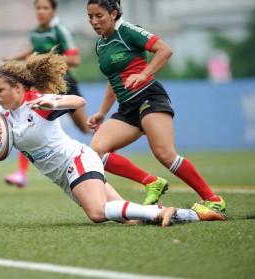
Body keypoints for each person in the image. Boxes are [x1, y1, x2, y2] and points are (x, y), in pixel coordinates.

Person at [0, 48, 227, 226]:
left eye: (0, 90)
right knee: (133, 218)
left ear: (18, 88)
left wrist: (53, 104)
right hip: (62, 178)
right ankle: (194, 215)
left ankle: (164, 210)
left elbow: (79, 100)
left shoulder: (37, 102)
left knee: (96, 213)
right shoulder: (0, 117)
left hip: (77, 161)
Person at [85, 0, 226, 211]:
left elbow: (165, 50)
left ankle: (213, 200)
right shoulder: (101, 44)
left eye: (99, 16)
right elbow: (113, 80)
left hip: (148, 97)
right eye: (90, 17)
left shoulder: (128, 31)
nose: (94, 22)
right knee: (95, 151)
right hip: (127, 107)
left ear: (113, 14)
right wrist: (102, 112)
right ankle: (151, 181)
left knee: (165, 155)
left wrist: (143, 74)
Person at [2, 0, 91, 188]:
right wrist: (13, 59)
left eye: (45, 8)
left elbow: (75, 59)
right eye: (38, 8)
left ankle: (105, 147)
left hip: (64, 84)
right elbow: (34, 51)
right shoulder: (35, 32)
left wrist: (47, 62)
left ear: (53, 11)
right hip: (42, 85)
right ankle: (21, 173)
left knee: (86, 128)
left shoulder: (60, 30)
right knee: (28, 119)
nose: (41, 11)